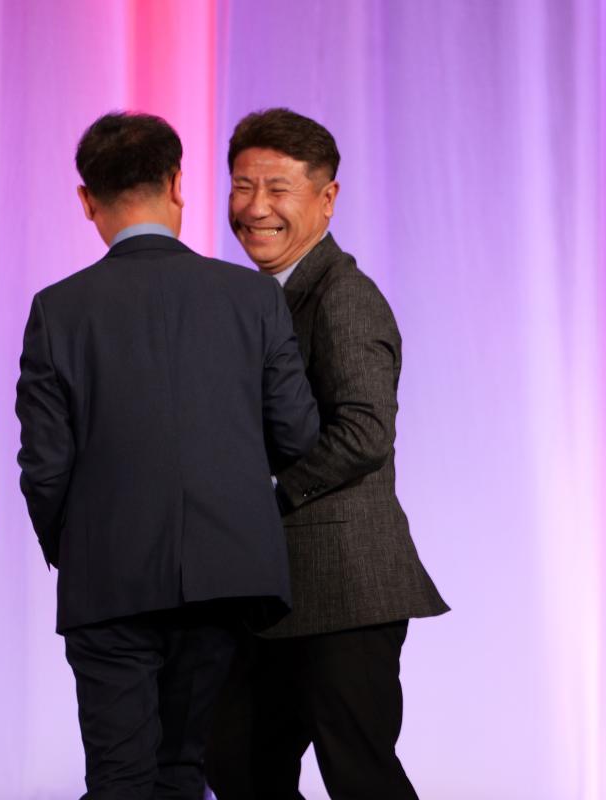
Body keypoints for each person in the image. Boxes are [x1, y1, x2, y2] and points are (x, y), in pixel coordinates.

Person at [14, 112, 319, 799]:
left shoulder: (58, 310)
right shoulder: (253, 298)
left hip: (108, 575)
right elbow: (297, 437)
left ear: (86, 199)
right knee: (185, 770)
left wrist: (77, 544)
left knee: (120, 777)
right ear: (179, 183)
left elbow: (45, 466)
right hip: (227, 574)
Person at [205, 108, 448, 800]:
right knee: (237, 764)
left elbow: (365, 432)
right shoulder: (258, 298)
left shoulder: (344, 296)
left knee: (359, 775)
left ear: (327, 197)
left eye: (277, 189)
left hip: (346, 589)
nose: (256, 208)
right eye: (242, 186)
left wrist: (266, 494)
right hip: (272, 591)